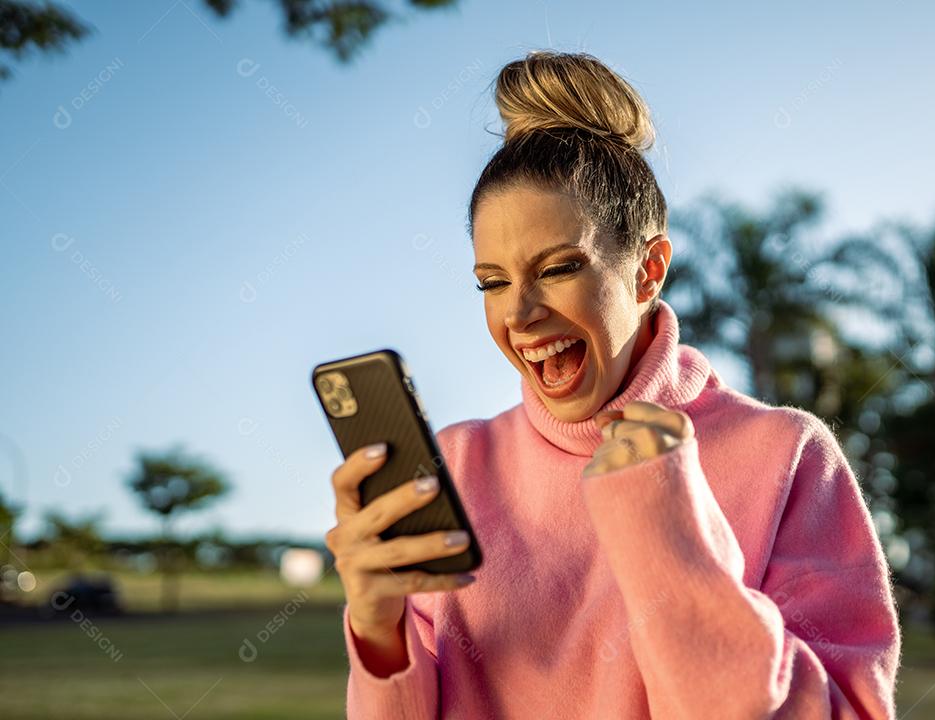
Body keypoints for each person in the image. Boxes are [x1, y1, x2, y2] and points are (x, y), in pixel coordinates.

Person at [325, 50, 901, 719]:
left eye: (560, 267)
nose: (519, 312)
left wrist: (666, 526)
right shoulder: (454, 465)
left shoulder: (787, 453)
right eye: (493, 281)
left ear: (649, 270)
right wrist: (378, 632)